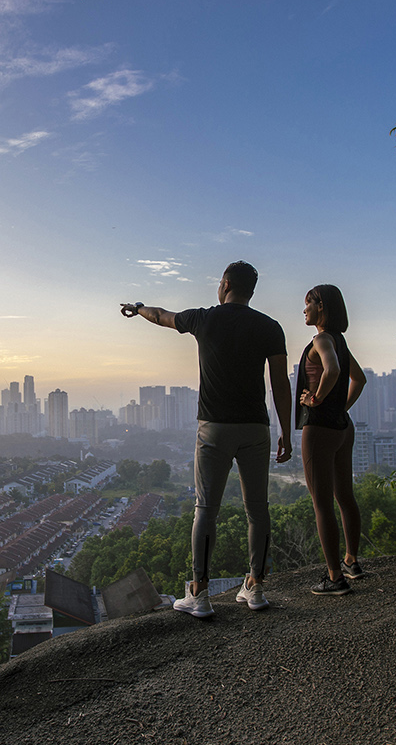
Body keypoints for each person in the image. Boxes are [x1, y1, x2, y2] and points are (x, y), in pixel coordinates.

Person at [121, 261, 293, 617]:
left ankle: (199, 593)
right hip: (255, 429)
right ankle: (255, 586)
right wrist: (287, 433)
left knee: (206, 509)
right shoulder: (270, 327)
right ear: (251, 290)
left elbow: (161, 315)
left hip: (213, 428)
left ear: (226, 284)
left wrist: (137, 309)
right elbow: (280, 384)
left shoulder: (205, 318)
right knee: (257, 510)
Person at [295, 284, 368, 596]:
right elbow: (359, 379)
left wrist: (316, 399)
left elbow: (333, 370)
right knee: (345, 496)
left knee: (322, 504)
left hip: (320, 430)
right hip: (343, 428)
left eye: (308, 304)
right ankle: (351, 561)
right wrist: (340, 406)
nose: (304, 310)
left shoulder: (322, 339)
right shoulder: (341, 341)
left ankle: (334, 577)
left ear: (321, 306)